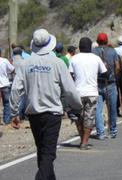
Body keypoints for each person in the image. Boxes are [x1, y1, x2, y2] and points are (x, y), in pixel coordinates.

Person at [9, 29, 82, 180]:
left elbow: (16, 89)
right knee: (48, 153)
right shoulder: (57, 63)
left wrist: (14, 112)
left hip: (34, 115)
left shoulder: (25, 64)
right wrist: (77, 106)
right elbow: (70, 90)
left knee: (42, 152)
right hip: (52, 114)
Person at [69, 37, 107, 149]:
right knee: (89, 118)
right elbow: (105, 73)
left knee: (79, 118)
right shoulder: (96, 58)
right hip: (92, 92)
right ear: (90, 47)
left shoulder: (74, 58)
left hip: (77, 92)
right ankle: (84, 142)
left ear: (79, 47)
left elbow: (70, 75)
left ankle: (82, 140)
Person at [92, 33, 120, 139]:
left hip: (98, 83)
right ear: (107, 40)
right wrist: (115, 76)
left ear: (97, 41)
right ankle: (112, 131)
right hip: (111, 83)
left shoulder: (93, 52)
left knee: (98, 109)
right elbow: (117, 67)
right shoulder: (113, 51)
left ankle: (101, 133)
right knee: (112, 108)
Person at [0, 47, 15, 125]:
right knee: (6, 103)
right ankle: (6, 120)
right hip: (5, 84)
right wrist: (11, 63)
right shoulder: (5, 61)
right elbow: (13, 70)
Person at [12, 47, 27, 121]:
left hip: (11, 81)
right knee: (22, 99)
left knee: (13, 99)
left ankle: (14, 114)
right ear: (21, 53)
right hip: (22, 81)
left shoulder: (11, 61)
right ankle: (21, 115)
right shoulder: (23, 61)